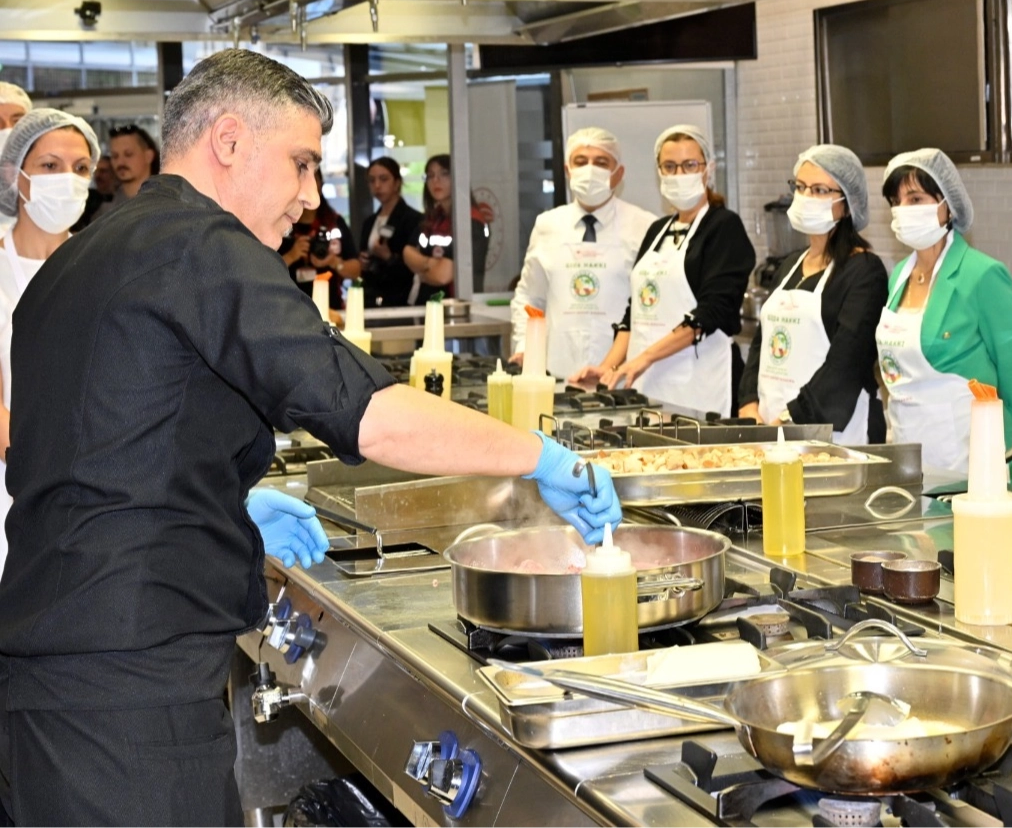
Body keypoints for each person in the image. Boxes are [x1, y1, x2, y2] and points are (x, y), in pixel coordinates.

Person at [0, 49, 619, 828]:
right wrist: (539, 457)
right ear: (228, 140)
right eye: (299, 164)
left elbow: (96, 437)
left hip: (47, 679)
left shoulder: (82, 256)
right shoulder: (201, 245)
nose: (309, 195)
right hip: (126, 695)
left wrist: (220, 502)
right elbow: (371, 412)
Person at [571, 125, 755, 417]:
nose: (679, 174)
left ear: (708, 170)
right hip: (649, 385)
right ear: (660, 173)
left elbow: (711, 313)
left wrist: (644, 358)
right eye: (670, 166)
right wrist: (608, 368)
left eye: (689, 165)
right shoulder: (658, 230)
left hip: (700, 384)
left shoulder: (723, 227)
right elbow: (636, 313)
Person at [877, 148, 1012, 482]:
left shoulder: (981, 274)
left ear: (946, 205)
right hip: (908, 445)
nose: (903, 210)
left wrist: (1010, 423)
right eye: (897, 201)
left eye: (916, 199)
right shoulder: (898, 276)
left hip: (966, 452)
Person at [0, 110, 99, 576]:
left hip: (98, 492)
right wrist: (43, 466)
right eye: (50, 166)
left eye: (80, 169)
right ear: (14, 176)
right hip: (11, 484)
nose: (68, 180)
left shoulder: (105, 265)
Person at [737, 145, 887, 442]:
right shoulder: (791, 264)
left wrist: (788, 420)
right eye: (801, 187)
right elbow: (760, 345)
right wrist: (749, 405)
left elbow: (846, 364)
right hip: (768, 428)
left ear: (847, 204)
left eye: (819, 190)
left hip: (831, 437)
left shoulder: (864, 272)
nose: (806, 197)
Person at [510, 127, 652, 376]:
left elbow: (650, 304)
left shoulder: (644, 226)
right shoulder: (547, 225)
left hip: (622, 374)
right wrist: (525, 346)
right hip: (556, 368)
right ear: (568, 171)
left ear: (618, 174)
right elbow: (530, 298)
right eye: (580, 162)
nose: (589, 170)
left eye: (601, 162)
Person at [279, 169, 361, 311]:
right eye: (302, 179)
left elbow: (356, 271)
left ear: (321, 183)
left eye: (313, 179)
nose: (308, 185)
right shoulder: (283, 223)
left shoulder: (334, 222)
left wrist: (334, 262)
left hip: (332, 309)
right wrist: (292, 255)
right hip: (290, 311)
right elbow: (263, 271)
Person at [359, 156, 421, 308]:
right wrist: (363, 262)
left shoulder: (413, 219)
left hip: (401, 298)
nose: (377, 185)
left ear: (397, 182)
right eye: (372, 180)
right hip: (371, 297)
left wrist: (389, 257)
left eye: (384, 179)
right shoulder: (369, 222)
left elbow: (416, 267)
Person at [403, 154, 457, 304]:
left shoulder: (465, 220)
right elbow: (407, 252)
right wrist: (430, 263)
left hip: (452, 303)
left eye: (444, 174)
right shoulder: (431, 218)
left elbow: (442, 276)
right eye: (430, 175)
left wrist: (422, 272)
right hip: (423, 302)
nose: (435, 181)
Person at [107, 123, 160, 207]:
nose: (120, 162)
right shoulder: (106, 209)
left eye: (128, 154)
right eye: (115, 156)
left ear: (148, 156)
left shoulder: (167, 202)